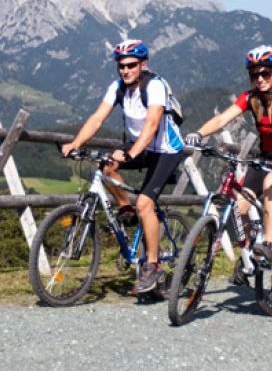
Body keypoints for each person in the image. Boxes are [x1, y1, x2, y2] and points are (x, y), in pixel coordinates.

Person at [61, 38, 185, 293]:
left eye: (131, 65)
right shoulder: (117, 87)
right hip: (141, 146)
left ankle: (152, 266)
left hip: (166, 149)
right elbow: (97, 117)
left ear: (143, 65)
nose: (126, 70)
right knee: (105, 165)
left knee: (145, 204)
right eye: (121, 66)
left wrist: (130, 154)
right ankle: (125, 208)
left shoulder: (155, 85)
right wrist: (75, 143)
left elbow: (152, 124)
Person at [183, 45, 272, 271]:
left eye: (265, 73)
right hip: (267, 157)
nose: (259, 79)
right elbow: (222, 119)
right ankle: (251, 255)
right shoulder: (251, 98)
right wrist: (199, 133)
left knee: (270, 183)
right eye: (254, 75)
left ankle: (268, 246)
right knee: (238, 208)